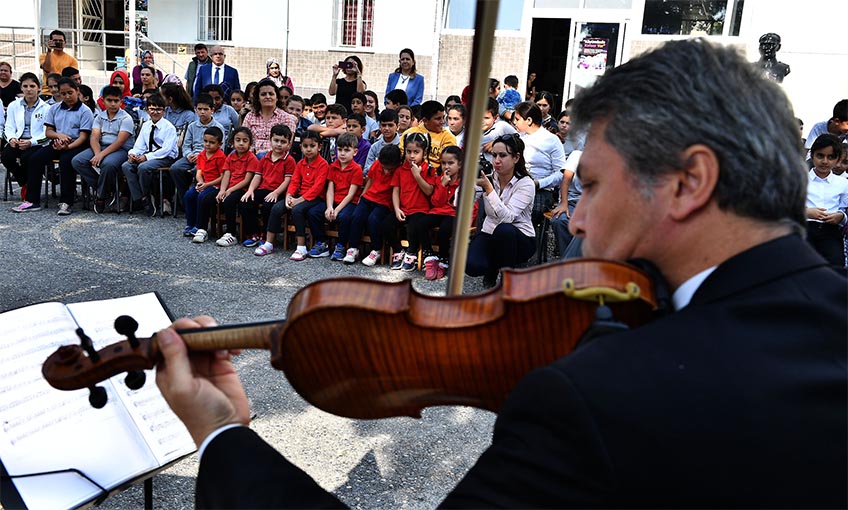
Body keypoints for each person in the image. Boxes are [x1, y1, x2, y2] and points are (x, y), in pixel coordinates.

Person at [155, 39, 847, 509]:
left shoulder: (594, 400)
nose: (576, 221)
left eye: (596, 187)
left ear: (690, 180)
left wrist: (222, 436)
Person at [465, 133, 535, 286]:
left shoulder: (525, 183)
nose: (496, 160)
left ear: (516, 158)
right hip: (490, 233)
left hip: (520, 239)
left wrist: (489, 189)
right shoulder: (488, 175)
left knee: (505, 230)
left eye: (502, 155)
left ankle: (507, 281)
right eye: (494, 155)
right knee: (472, 266)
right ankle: (493, 268)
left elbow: (508, 218)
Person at [17, 77, 93, 216]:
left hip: (77, 145)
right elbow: (49, 132)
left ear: (77, 91)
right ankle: (32, 200)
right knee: (35, 158)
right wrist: (59, 137)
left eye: (70, 92)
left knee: (66, 162)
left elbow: (83, 137)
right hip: (58, 143)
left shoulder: (85, 111)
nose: (67, 97)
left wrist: (67, 147)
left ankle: (66, 202)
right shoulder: (54, 108)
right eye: (63, 94)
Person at [71, 85, 135, 213]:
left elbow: (120, 141)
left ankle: (100, 196)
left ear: (121, 101)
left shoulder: (126, 118)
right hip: (101, 146)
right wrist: (97, 153)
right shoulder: (99, 116)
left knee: (108, 164)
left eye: (116, 101)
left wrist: (101, 156)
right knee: (77, 161)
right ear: (103, 100)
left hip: (121, 149)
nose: (113, 104)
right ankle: (107, 189)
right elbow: (94, 137)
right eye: (109, 100)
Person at [305, 133, 364, 261]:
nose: (342, 153)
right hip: (334, 201)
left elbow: (351, 194)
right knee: (313, 212)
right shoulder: (333, 166)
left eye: (346, 150)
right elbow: (330, 190)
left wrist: (337, 210)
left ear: (355, 152)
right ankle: (322, 243)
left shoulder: (356, 169)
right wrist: (330, 207)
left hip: (349, 203)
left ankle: (341, 245)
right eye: (340, 150)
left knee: (344, 217)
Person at [512, 101, 568, 237]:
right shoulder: (518, 138)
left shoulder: (551, 140)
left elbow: (561, 173)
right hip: (516, 185)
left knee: (526, 216)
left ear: (529, 120)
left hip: (541, 190)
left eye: (518, 119)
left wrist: (538, 183)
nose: (514, 123)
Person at [385, 131, 437, 271]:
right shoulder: (400, 170)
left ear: (424, 152)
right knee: (386, 223)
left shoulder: (428, 169)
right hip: (403, 209)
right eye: (409, 152)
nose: (412, 156)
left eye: (416, 152)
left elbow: (429, 191)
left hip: (420, 209)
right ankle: (398, 250)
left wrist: (417, 176)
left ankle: (412, 253)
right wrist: (396, 209)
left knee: (415, 226)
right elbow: (395, 190)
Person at [344, 144, 402, 266]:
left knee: (374, 219)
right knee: (356, 216)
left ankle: (376, 250)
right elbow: (370, 180)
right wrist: (362, 197)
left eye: (389, 169)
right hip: (369, 197)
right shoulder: (376, 164)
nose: (386, 171)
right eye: (384, 167)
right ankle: (353, 248)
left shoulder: (399, 171)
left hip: (385, 202)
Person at [121, 93, 178, 216]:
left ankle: (147, 194)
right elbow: (139, 145)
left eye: (159, 109)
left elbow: (166, 150)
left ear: (164, 110)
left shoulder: (169, 128)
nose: (155, 112)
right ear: (147, 110)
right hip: (148, 155)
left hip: (165, 157)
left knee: (143, 167)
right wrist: (133, 154)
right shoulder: (146, 125)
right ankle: (141, 198)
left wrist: (146, 157)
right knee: (126, 166)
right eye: (152, 109)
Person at [239, 124, 295, 247]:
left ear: (288, 144)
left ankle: (266, 234)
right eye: (276, 140)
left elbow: (287, 181)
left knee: (268, 206)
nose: (279, 144)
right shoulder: (264, 158)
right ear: (270, 141)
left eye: (283, 142)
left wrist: (276, 192)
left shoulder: (289, 160)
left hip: (279, 191)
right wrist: (250, 190)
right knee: (245, 202)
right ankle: (253, 233)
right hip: (263, 188)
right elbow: (257, 176)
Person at [416, 145, 464, 280]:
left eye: (450, 163)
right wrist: (443, 185)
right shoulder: (440, 178)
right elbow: (437, 202)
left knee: (444, 229)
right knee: (421, 224)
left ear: (459, 164)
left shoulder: (465, 181)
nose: (446, 167)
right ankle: (430, 256)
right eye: (443, 163)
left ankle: (444, 260)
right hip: (439, 211)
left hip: (455, 214)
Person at [2, 73, 50, 204]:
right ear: (21, 88)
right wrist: (11, 139)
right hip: (17, 140)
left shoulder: (46, 108)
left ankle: (30, 189)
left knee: (27, 158)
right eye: (25, 86)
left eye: (32, 86)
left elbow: (46, 133)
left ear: (38, 88)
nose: (29, 89)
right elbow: (9, 126)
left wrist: (31, 142)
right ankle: (25, 182)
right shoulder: (13, 105)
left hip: (35, 142)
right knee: (6, 156)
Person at [170, 93, 224, 207]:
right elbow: (186, 145)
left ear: (212, 110)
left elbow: (220, 149)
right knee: (175, 168)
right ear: (195, 110)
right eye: (199, 109)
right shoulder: (192, 126)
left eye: (206, 109)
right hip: (191, 157)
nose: (202, 112)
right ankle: (184, 199)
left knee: (197, 171)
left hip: (208, 158)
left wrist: (200, 156)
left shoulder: (218, 127)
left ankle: (198, 198)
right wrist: (189, 155)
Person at [284, 131, 329, 261]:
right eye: (305, 146)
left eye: (312, 146)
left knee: (300, 210)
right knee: (279, 207)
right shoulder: (301, 163)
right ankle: (270, 241)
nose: (308, 149)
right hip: (302, 197)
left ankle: (302, 246)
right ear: (301, 147)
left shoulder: (323, 164)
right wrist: (289, 195)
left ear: (319, 147)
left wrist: (298, 200)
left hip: (317, 198)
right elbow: (294, 181)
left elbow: (317, 188)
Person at [804, 134, 848, 266]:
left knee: (836, 264)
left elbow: (844, 210)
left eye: (831, 157)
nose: (824, 161)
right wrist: (807, 212)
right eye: (820, 155)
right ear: (812, 155)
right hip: (805, 229)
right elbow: (787, 207)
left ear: (838, 159)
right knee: (805, 264)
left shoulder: (843, 184)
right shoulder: (800, 180)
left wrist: (840, 217)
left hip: (831, 231)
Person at [214, 127, 259, 247]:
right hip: (230, 187)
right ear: (232, 142)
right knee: (217, 197)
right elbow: (226, 175)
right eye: (238, 140)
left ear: (250, 143)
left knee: (229, 201)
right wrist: (223, 190)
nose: (241, 143)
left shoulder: (251, 158)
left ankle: (231, 233)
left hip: (242, 188)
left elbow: (247, 180)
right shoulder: (231, 156)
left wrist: (229, 190)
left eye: (245, 140)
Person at [185, 126, 226, 243]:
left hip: (215, 186)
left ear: (220, 144)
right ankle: (190, 224)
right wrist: (201, 182)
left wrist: (207, 184)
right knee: (189, 195)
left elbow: (223, 176)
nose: (208, 144)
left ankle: (200, 226)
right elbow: (199, 172)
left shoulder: (220, 156)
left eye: (212, 142)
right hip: (204, 183)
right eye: (205, 141)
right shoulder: (202, 154)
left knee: (202, 198)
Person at [242, 79, 297, 156]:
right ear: (258, 98)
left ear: (277, 97)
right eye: (263, 94)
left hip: (276, 158)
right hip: (251, 157)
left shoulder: (286, 118)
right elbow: (243, 138)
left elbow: (287, 145)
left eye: (271, 94)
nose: (267, 97)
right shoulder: (250, 116)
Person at [398, 100, 456, 172]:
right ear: (425, 120)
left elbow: (448, 163)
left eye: (443, 117)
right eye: (438, 118)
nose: (443, 122)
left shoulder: (448, 138)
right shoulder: (410, 133)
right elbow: (401, 156)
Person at [38, 30, 78, 95]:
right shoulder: (44, 56)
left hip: (64, 92)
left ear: (65, 43)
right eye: (55, 41)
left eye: (60, 41)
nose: (58, 42)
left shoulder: (72, 60)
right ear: (51, 42)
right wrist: (49, 51)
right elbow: (47, 69)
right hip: (47, 92)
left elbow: (72, 78)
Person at [363, 109, 400, 176]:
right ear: (379, 126)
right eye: (384, 125)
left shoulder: (402, 145)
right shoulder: (375, 147)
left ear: (397, 126)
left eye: (390, 125)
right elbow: (366, 169)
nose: (386, 128)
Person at [203, 84, 239, 150]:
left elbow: (238, 128)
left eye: (217, 98)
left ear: (222, 98)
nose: (214, 102)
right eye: (211, 98)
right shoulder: (200, 111)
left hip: (222, 147)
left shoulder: (229, 110)